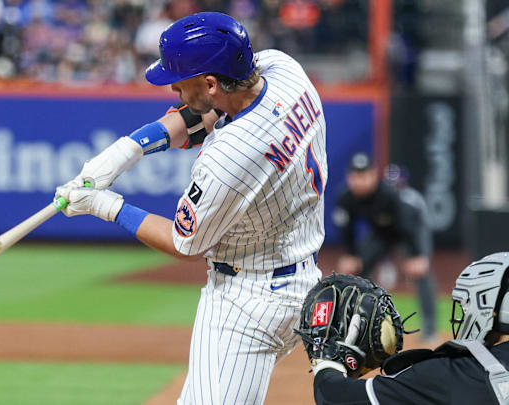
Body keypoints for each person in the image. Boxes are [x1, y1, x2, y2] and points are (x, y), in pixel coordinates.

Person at [55, 11, 327, 404]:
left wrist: (105, 205)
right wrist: (128, 151)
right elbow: (206, 113)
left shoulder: (228, 158)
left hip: (246, 304)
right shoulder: (286, 71)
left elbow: (185, 244)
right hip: (304, 283)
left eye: (179, 81)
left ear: (210, 82)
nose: (173, 89)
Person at [305, 251, 509, 405]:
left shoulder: (457, 373)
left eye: (466, 305)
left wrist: (325, 359)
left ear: (489, 306)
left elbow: (335, 398)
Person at [333, 152, 437, 341]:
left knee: (421, 272)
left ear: (373, 175)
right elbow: (346, 229)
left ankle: (430, 330)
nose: (359, 180)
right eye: (355, 175)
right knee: (357, 272)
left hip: (412, 230)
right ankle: (357, 326)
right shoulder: (346, 197)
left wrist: (417, 255)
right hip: (382, 233)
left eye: (364, 175)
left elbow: (407, 225)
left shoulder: (388, 194)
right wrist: (351, 254)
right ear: (349, 177)